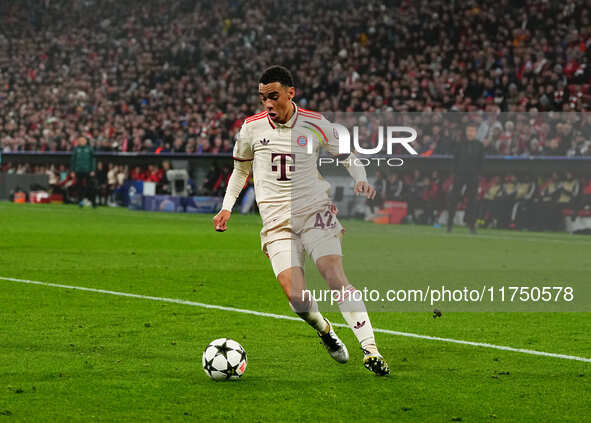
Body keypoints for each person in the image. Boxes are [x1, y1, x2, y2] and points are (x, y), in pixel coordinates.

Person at [212, 66, 389, 376]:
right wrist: (227, 206)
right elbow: (241, 171)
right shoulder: (251, 129)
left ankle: (370, 348)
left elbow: (347, 155)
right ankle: (324, 330)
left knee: (333, 274)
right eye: (262, 97)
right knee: (296, 296)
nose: (267, 103)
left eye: (273, 96)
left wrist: (360, 178)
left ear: (290, 93)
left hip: (315, 212)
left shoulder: (316, 123)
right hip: (277, 224)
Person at [447, 123, 485, 234]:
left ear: (476, 132)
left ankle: (471, 225)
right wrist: (454, 173)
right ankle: (449, 224)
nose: (470, 133)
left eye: (472, 131)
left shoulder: (479, 145)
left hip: (473, 177)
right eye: (468, 130)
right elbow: (455, 160)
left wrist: (478, 175)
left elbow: (481, 162)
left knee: (472, 202)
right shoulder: (460, 144)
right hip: (460, 175)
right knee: (454, 199)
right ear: (466, 132)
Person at [70, 136, 96, 208]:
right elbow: (73, 160)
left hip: (88, 171)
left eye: (83, 140)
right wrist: (72, 171)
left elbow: (93, 160)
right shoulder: (76, 149)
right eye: (81, 140)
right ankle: (80, 202)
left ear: (86, 141)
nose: (82, 141)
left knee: (91, 186)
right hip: (78, 171)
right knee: (79, 187)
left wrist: (93, 170)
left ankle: (93, 202)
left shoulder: (89, 149)